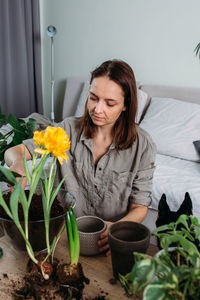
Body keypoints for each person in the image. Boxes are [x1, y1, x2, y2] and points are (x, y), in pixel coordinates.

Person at [4, 59, 156, 255]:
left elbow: (140, 207)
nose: (97, 109)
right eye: (93, 98)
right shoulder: (67, 129)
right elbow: (13, 152)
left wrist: (118, 228)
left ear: (126, 105)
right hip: (60, 236)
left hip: (108, 241)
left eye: (110, 103)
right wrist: (18, 163)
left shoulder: (143, 146)